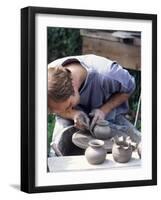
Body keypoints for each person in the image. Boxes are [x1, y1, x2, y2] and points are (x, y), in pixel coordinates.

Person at [48, 54, 141, 156]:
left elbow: (129, 89)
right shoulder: (47, 79)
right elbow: (59, 110)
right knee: (57, 152)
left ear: (73, 85)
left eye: (69, 106)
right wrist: (73, 113)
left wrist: (104, 110)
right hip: (70, 118)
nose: (69, 109)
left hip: (107, 113)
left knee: (139, 145)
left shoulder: (108, 74)